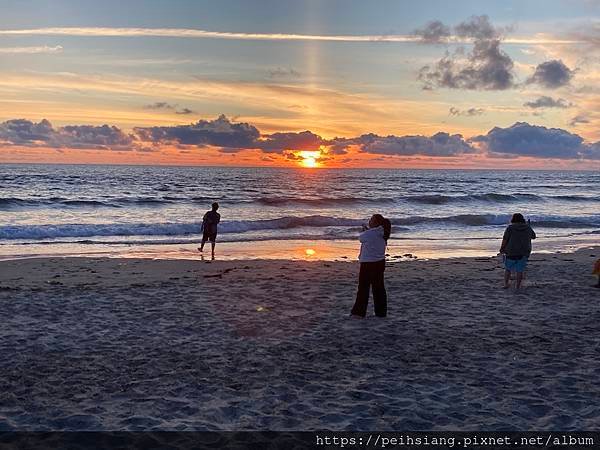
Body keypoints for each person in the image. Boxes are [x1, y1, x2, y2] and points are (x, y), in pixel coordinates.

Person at [350, 214, 392, 318]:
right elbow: (370, 237)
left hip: (368, 263)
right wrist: (368, 230)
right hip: (379, 263)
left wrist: (366, 231)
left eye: (371, 220)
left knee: (363, 288)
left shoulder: (370, 233)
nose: (369, 221)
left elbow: (361, 238)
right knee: (379, 289)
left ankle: (359, 312)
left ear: (376, 222)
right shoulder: (382, 232)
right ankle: (381, 313)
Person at [499, 213, 536, 290]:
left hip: (511, 251)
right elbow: (533, 237)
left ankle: (506, 284)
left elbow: (505, 239)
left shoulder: (510, 228)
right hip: (524, 251)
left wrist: (502, 248)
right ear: (522, 219)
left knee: (508, 268)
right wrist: (529, 226)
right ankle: (518, 286)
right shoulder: (528, 228)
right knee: (520, 270)